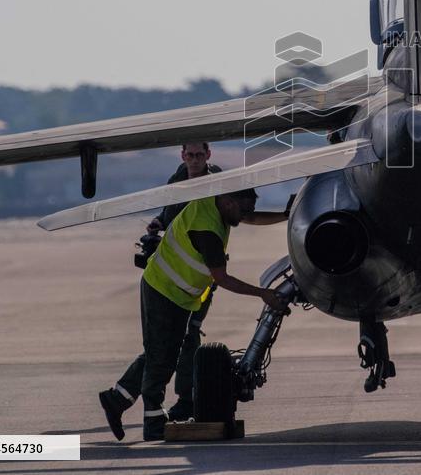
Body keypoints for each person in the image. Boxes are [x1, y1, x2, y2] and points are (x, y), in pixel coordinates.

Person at [99, 187, 289, 441]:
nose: (246, 215)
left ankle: (117, 399)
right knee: (162, 357)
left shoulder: (218, 203)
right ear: (229, 202)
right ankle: (153, 421)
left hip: (179, 294)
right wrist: (262, 293)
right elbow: (222, 278)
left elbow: (251, 217)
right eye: (243, 209)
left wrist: (286, 215)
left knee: (162, 350)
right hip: (163, 288)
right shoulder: (206, 229)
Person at [142, 142, 223, 422]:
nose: (195, 160)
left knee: (189, 334)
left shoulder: (217, 183)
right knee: (173, 340)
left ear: (208, 155)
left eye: (200, 155)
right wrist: (157, 223)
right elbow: (168, 217)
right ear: (183, 156)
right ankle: (129, 395)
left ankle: (185, 398)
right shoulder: (176, 181)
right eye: (190, 155)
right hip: (174, 278)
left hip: (201, 278)